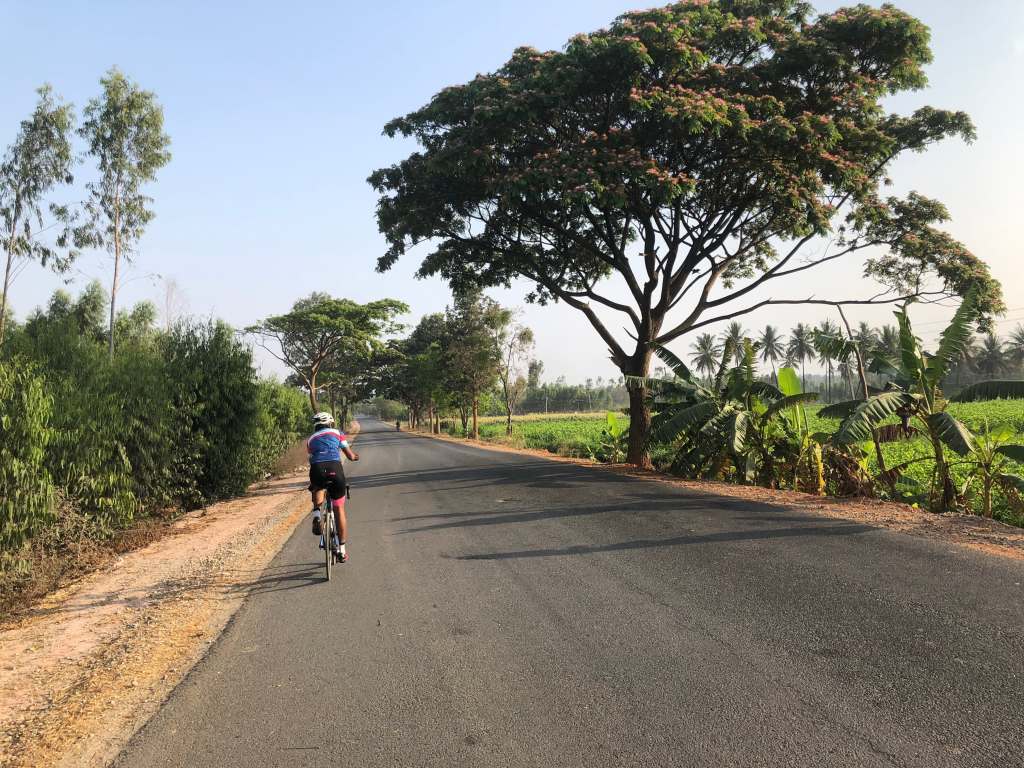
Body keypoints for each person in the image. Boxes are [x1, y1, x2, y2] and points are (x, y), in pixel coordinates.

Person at [307, 412, 359, 562]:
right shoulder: (337, 433)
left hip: (317, 469)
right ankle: (342, 550)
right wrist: (356, 457)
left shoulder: (310, 440)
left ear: (316, 425)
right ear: (330, 423)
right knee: (339, 508)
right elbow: (349, 456)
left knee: (317, 487)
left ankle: (317, 514)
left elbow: (311, 458)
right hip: (335, 470)